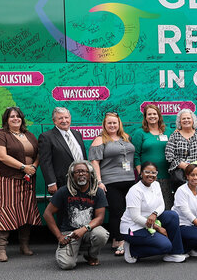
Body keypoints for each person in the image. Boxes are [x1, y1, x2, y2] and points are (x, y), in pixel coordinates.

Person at [0, 106, 40, 262]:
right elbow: (2, 156)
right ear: (6, 119)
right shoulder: (1, 135)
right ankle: (1, 249)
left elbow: (38, 154)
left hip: (28, 179)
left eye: (18, 116)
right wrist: (23, 167)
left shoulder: (29, 135)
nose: (15, 119)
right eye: (12, 116)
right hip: (8, 178)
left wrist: (33, 167)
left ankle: (24, 245)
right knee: (8, 210)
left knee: (27, 210)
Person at [42, 161, 109, 269]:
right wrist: (60, 236)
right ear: (72, 176)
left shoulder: (98, 191)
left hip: (88, 230)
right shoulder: (63, 191)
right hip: (70, 233)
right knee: (67, 265)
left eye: (84, 171)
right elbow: (47, 214)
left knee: (101, 234)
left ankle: (91, 255)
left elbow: (100, 218)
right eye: (77, 172)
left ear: (90, 174)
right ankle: (66, 250)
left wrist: (84, 229)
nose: (81, 174)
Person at [120, 161, 187, 263]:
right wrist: (158, 228)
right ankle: (132, 251)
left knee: (172, 215)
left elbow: (161, 205)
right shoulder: (135, 190)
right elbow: (136, 218)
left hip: (150, 221)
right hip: (133, 228)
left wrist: (154, 214)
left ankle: (175, 253)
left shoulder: (156, 184)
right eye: (147, 172)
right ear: (141, 173)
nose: (150, 175)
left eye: (154, 173)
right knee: (165, 245)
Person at [90, 112, 135, 257]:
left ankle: (116, 239)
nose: (112, 125)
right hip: (111, 181)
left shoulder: (126, 137)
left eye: (115, 123)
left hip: (129, 180)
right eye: (109, 123)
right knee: (117, 211)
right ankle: (120, 241)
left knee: (128, 211)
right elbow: (94, 162)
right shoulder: (99, 140)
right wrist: (99, 181)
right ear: (104, 124)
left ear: (119, 123)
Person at [131, 103, 173, 209]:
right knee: (148, 207)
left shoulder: (168, 132)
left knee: (166, 206)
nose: (152, 116)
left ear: (159, 116)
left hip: (166, 177)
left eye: (154, 114)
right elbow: (136, 155)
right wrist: (141, 173)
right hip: (148, 177)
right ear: (145, 117)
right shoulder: (140, 133)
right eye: (149, 114)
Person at [38, 107, 86, 195]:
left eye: (66, 117)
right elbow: (45, 162)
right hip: (62, 184)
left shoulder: (77, 134)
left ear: (70, 118)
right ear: (54, 121)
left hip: (82, 181)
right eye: (60, 118)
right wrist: (51, 183)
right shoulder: (46, 137)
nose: (64, 120)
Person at [173, 163, 197, 258]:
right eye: (192, 175)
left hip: (193, 225)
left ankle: (193, 248)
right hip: (181, 225)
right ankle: (182, 250)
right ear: (187, 176)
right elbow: (187, 214)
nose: (195, 177)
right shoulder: (181, 191)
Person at [165, 108, 197, 186]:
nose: (186, 120)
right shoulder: (174, 136)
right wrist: (183, 165)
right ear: (180, 122)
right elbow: (169, 155)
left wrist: (196, 165)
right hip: (180, 177)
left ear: (193, 120)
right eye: (183, 118)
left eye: (188, 118)